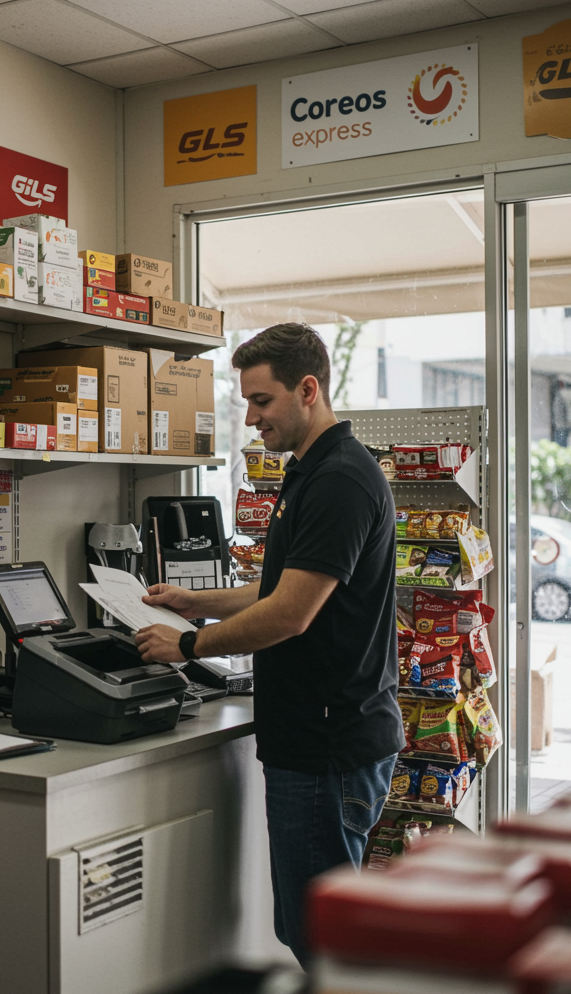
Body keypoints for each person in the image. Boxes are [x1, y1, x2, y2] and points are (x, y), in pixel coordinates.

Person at [135, 322, 403, 968]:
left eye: (262, 401)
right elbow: (282, 587)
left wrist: (188, 645)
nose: (252, 418)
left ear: (308, 389)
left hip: (327, 747)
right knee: (312, 931)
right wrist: (197, 601)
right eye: (248, 403)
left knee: (320, 940)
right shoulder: (311, 470)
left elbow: (289, 614)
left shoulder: (340, 479)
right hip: (319, 743)